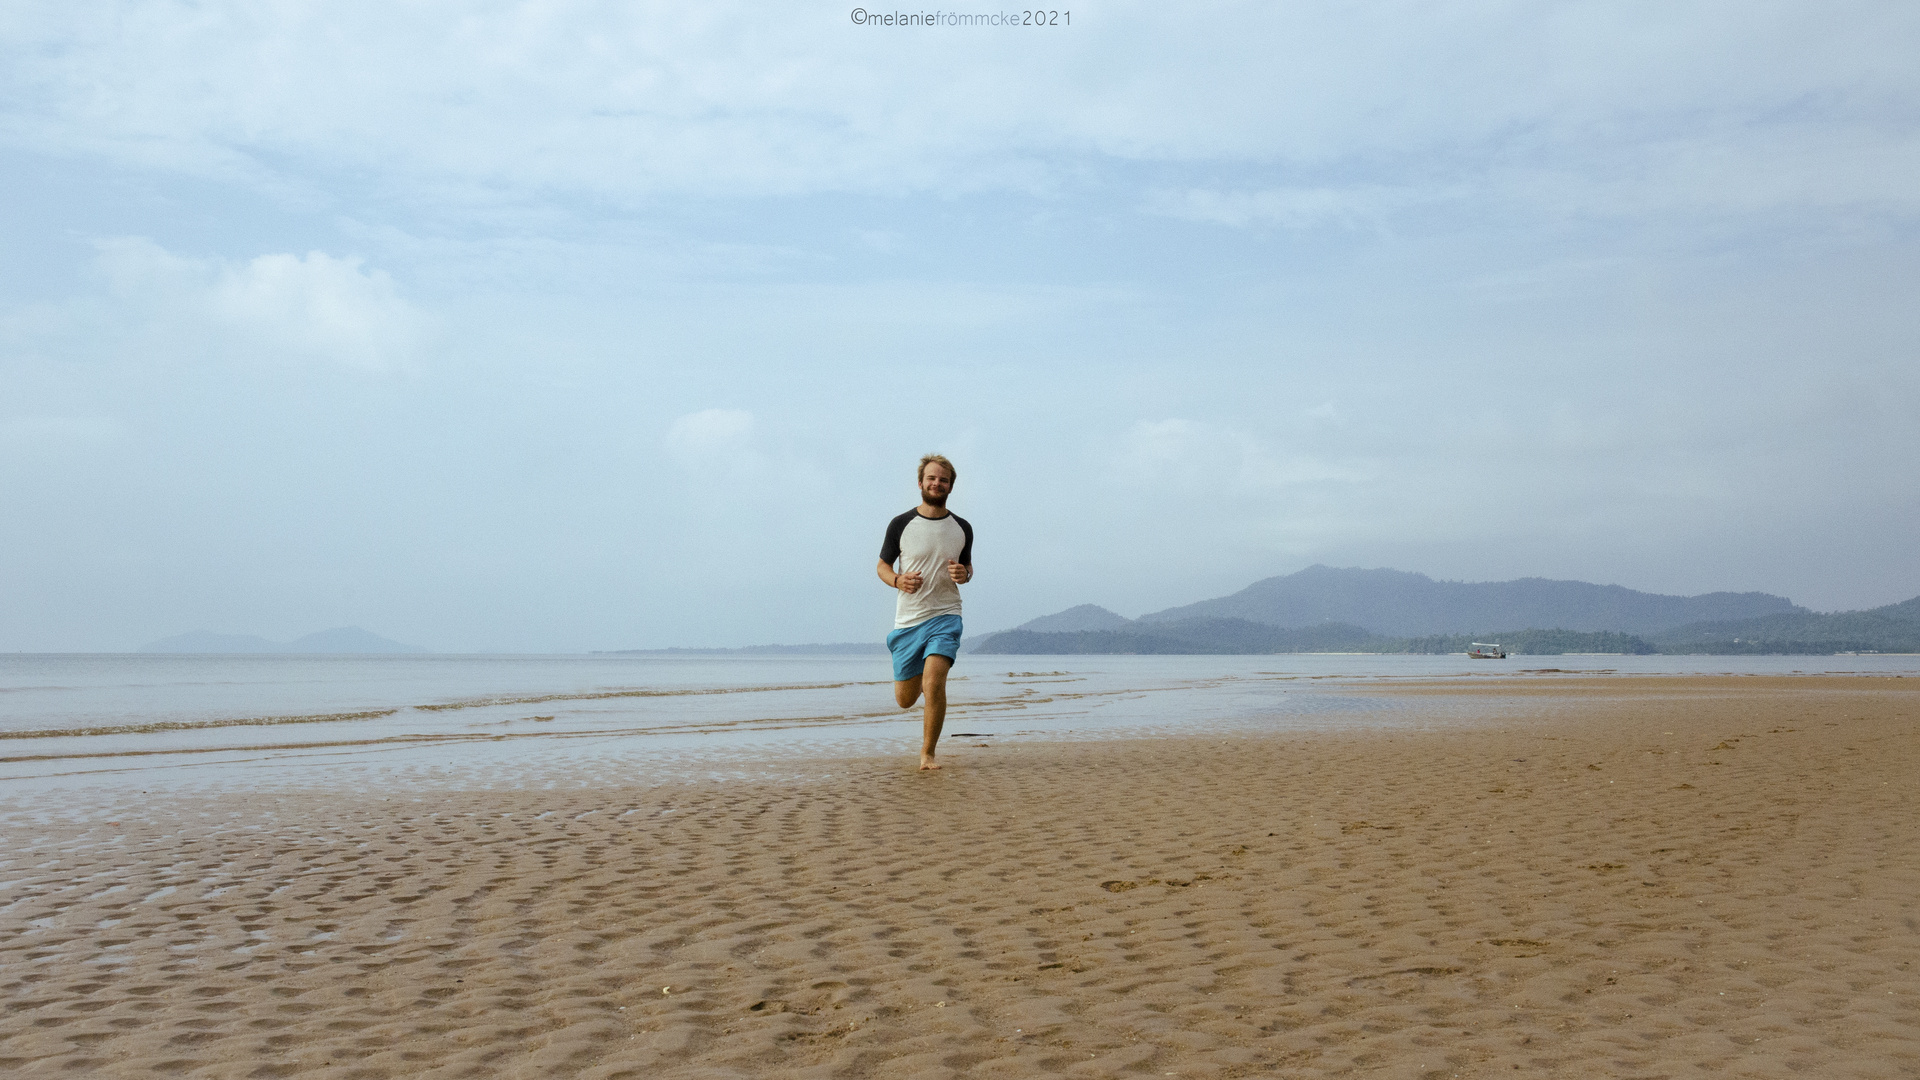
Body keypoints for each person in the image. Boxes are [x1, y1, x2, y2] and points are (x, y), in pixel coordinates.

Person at [877, 454, 973, 770]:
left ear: (950, 487)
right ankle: (917, 668)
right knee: (905, 699)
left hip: (946, 615)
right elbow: (882, 566)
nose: (937, 483)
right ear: (921, 483)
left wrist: (965, 574)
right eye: (932, 478)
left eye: (943, 480)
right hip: (908, 621)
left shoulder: (962, 527)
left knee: (934, 682)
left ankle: (927, 754)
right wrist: (897, 580)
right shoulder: (900, 524)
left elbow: (966, 566)